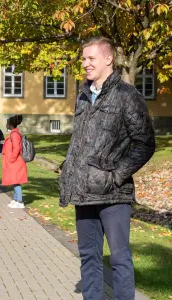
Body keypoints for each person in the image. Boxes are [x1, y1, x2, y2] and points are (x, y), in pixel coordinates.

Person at [59, 37, 155, 300]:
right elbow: (80, 141)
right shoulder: (81, 96)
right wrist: (69, 170)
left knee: (120, 258)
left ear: (108, 59)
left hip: (113, 194)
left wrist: (116, 175)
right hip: (84, 192)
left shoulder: (127, 95)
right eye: (83, 58)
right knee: (89, 257)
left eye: (91, 58)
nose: (85, 63)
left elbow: (145, 143)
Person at [2, 115, 28, 208]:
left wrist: (11, 159)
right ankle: (16, 199)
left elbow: (17, 148)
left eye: (7, 123)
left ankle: (20, 202)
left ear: (10, 124)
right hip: (14, 162)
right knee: (14, 180)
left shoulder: (14, 134)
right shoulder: (13, 133)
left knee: (16, 181)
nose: (6, 125)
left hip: (16, 162)